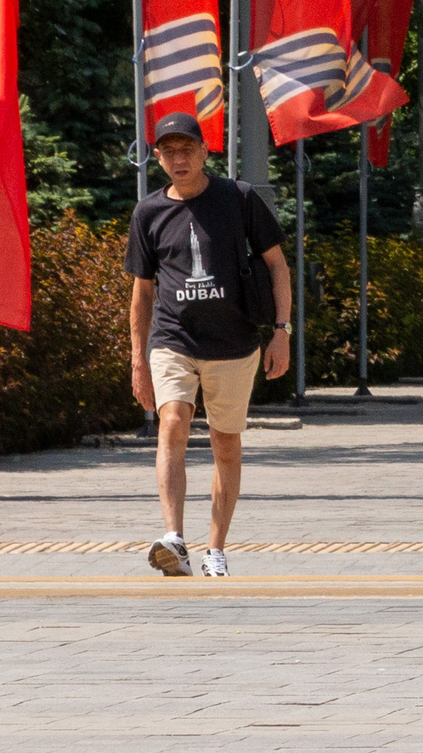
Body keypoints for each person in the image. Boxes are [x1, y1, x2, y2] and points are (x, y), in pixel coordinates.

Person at [126, 109, 292, 578]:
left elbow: (277, 266)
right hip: (172, 337)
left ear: (204, 151)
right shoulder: (149, 212)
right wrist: (139, 359)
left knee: (226, 443)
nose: (178, 158)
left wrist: (282, 332)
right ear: (156, 157)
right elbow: (141, 291)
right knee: (173, 421)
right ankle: (174, 539)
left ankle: (215, 548)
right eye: (168, 151)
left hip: (235, 342)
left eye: (186, 149)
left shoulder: (237, 199)